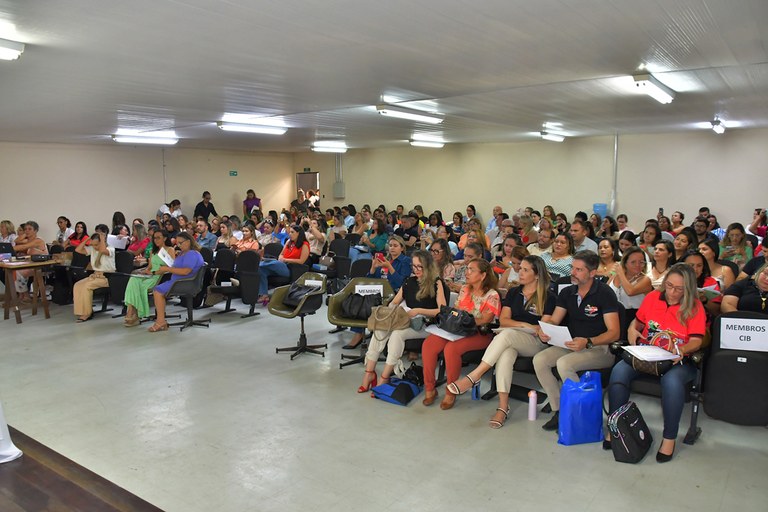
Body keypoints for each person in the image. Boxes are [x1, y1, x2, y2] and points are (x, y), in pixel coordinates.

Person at [607, 263, 706, 463]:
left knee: (672, 383)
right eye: (669, 286)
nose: (672, 292)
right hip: (647, 354)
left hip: (677, 360)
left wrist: (682, 350)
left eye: (679, 289)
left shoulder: (694, 306)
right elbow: (638, 322)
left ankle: (669, 437)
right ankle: (615, 426)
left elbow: (697, 340)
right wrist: (631, 330)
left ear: (687, 289)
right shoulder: (653, 297)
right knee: (618, 373)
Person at [447, 256, 556, 427]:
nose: (520, 271)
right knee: (505, 353)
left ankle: (475, 375)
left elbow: (544, 327)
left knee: (504, 336)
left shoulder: (548, 297)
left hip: (535, 342)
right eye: (520, 268)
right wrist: (525, 324)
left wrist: (531, 328)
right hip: (514, 337)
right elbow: (504, 320)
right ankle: (503, 407)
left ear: (537, 275)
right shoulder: (514, 293)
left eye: (526, 270)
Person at [534, 251, 620, 431]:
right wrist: (544, 329)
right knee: (540, 360)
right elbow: (555, 320)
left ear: (592, 273)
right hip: (573, 344)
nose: (573, 272)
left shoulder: (605, 293)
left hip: (599, 348)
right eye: (573, 267)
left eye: (579, 270)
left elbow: (614, 333)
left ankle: (580, 413)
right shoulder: (568, 292)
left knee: (564, 364)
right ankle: (560, 410)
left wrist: (588, 341)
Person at [358, 250, 447, 392]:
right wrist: (393, 309)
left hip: (427, 325)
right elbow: (394, 303)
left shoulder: (437, 283)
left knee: (397, 334)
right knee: (380, 329)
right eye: (414, 266)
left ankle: (385, 376)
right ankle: (369, 373)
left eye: (420, 267)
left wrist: (418, 311)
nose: (416, 270)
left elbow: (441, 310)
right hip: (406, 320)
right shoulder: (409, 282)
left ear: (428, 267)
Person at [422, 259, 501, 410]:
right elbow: (456, 310)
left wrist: (464, 321)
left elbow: (485, 319)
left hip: (480, 333)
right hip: (458, 328)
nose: (467, 272)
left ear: (483, 275)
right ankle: (430, 387)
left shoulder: (492, 295)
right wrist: (456, 321)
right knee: (429, 344)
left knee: (451, 349)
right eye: (467, 269)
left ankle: (451, 391)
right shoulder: (465, 289)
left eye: (472, 270)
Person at [343, 235, 413, 350]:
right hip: (377, 291)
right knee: (358, 300)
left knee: (366, 304)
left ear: (402, 248)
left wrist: (390, 267)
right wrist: (373, 268)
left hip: (394, 294)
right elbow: (369, 279)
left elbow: (403, 283)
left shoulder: (406, 261)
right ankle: (359, 333)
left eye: (395, 246)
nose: (392, 248)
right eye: (390, 246)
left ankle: (363, 335)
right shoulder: (384, 259)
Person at [148, 232, 204, 332]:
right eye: (177, 243)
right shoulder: (185, 253)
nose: (178, 246)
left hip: (185, 283)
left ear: (188, 241)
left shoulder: (191, 254)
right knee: (158, 289)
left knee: (158, 292)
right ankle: (161, 321)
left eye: (180, 243)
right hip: (179, 281)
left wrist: (167, 269)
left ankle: (161, 322)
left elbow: (186, 271)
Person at [123, 230, 176, 326]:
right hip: (150, 273)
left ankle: (134, 314)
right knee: (133, 279)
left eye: (158, 237)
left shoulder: (170, 250)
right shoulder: (153, 251)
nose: (156, 240)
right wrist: (144, 271)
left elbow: (172, 267)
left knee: (140, 286)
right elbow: (150, 266)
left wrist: (156, 271)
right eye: (154, 238)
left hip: (160, 275)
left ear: (164, 238)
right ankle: (132, 312)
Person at [257, 224, 310, 303]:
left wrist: (285, 259)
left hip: (291, 268)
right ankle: (264, 295)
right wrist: (281, 258)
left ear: (299, 233)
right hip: (282, 264)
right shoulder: (289, 242)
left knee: (275, 263)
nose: (290, 234)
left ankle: (260, 263)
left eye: (292, 232)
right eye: (290, 232)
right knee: (261, 269)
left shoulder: (305, 244)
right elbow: (281, 254)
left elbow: (301, 261)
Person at [72, 232, 116, 322]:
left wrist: (102, 238)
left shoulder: (110, 249)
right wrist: (87, 240)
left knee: (86, 286)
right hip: (95, 276)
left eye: (96, 244)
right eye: (93, 245)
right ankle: (81, 311)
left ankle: (87, 313)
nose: (95, 247)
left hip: (106, 278)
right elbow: (78, 250)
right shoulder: (92, 249)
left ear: (102, 242)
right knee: (77, 285)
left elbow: (102, 250)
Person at [607, 246, 653, 325]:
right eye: (633, 262)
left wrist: (621, 273)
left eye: (641, 262)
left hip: (632, 318)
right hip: (612, 315)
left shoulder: (645, 280)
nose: (638, 265)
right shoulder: (616, 275)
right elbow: (605, 291)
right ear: (625, 262)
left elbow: (630, 291)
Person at [11, 221, 49, 301]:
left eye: (29, 229)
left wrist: (8, 249)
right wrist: (26, 233)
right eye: (25, 229)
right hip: (32, 264)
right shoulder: (28, 240)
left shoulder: (38, 241)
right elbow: (17, 241)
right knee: (13, 270)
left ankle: (25, 294)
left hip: (41, 266)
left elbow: (23, 246)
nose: (27, 231)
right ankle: (21, 295)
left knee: (18, 271)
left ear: (35, 231)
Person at [681, 250, 721, 320]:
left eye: (699, 266)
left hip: (702, 322)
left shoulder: (710, 282)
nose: (695, 269)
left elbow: (717, 311)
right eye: (691, 265)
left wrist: (704, 300)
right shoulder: (674, 279)